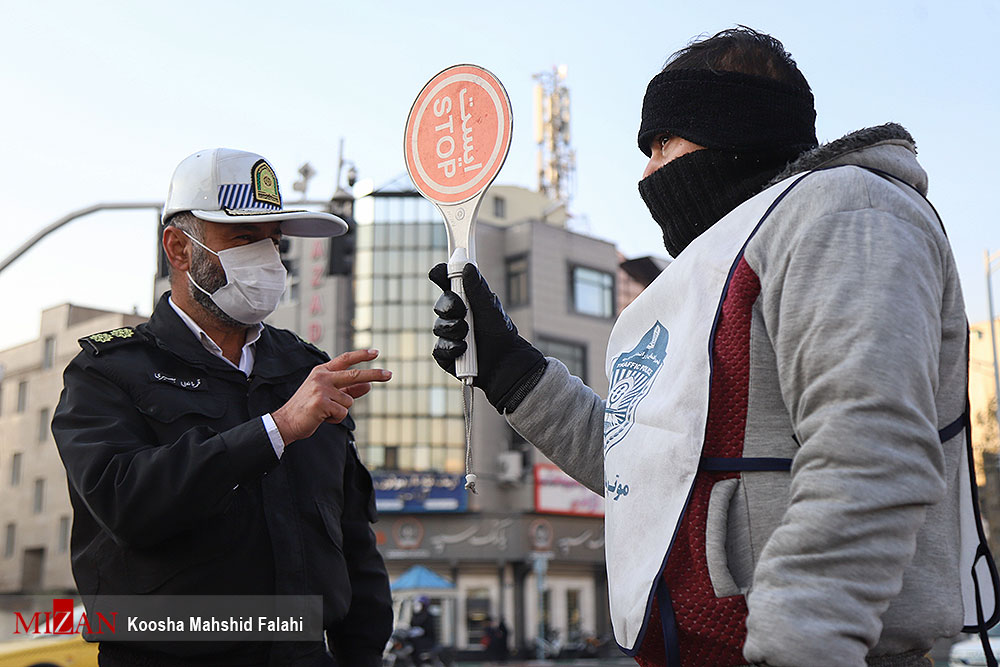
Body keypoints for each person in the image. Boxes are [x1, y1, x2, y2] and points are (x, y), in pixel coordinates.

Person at [430, 27, 998, 667]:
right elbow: (644, 468)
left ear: (725, 126)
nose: (647, 173)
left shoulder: (845, 211)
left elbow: (869, 446)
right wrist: (511, 370)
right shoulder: (702, 276)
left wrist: (798, 646)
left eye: (660, 144)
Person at [52, 148, 394, 666]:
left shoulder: (305, 369)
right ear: (179, 248)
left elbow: (351, 540)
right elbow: (127, 502)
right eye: (243, 239)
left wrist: (362, 656)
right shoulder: (109, 371)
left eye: (273, 244)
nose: (268, 261)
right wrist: (274, 429)